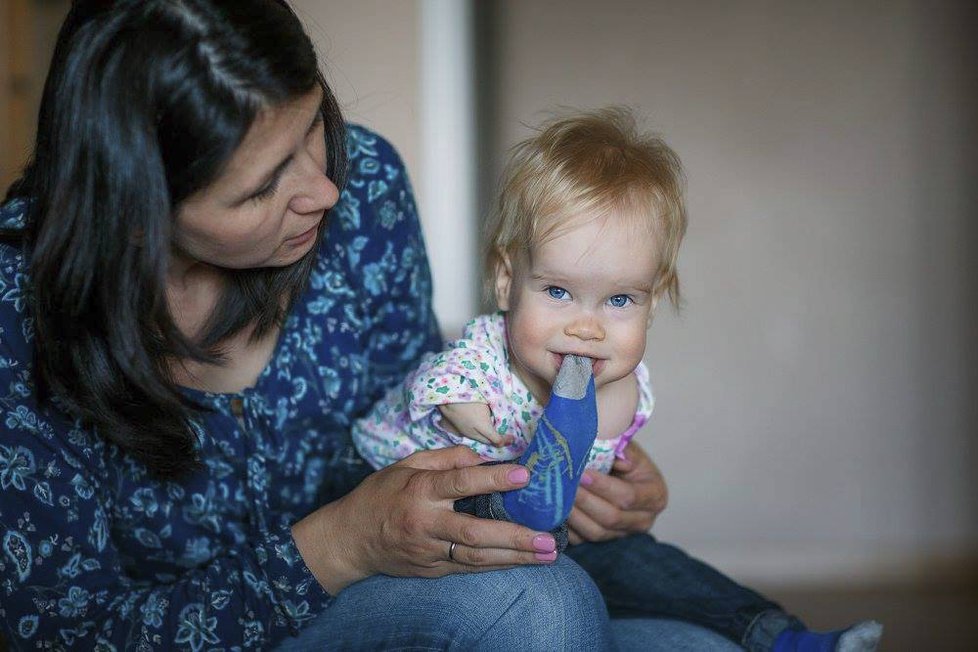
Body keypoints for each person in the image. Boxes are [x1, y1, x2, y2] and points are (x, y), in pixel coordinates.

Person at [0, 1, 740, 650]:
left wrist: (590, 478)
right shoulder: (18, 309)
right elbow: (65, 633)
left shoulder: (366, 188)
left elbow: (427, 414)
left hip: (389, 600)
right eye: (262, 187)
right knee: (540, 606)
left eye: (312, 127)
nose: (324, 191)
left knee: (701, 646)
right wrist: (340, 545)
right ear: (133, 209)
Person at [353, 108, 884, 651]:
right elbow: (435, 381)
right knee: (513, 541)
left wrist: (589, 411)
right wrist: (461, 407)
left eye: (620, 300)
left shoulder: (623, 385)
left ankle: (784, 638)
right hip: (429, 512)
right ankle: (528, 514)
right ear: (507, 280)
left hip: (565, 536)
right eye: (558, 292)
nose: (586, 328)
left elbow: (599, 446)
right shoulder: (488, 346)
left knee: (656, 567)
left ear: (652, 304)